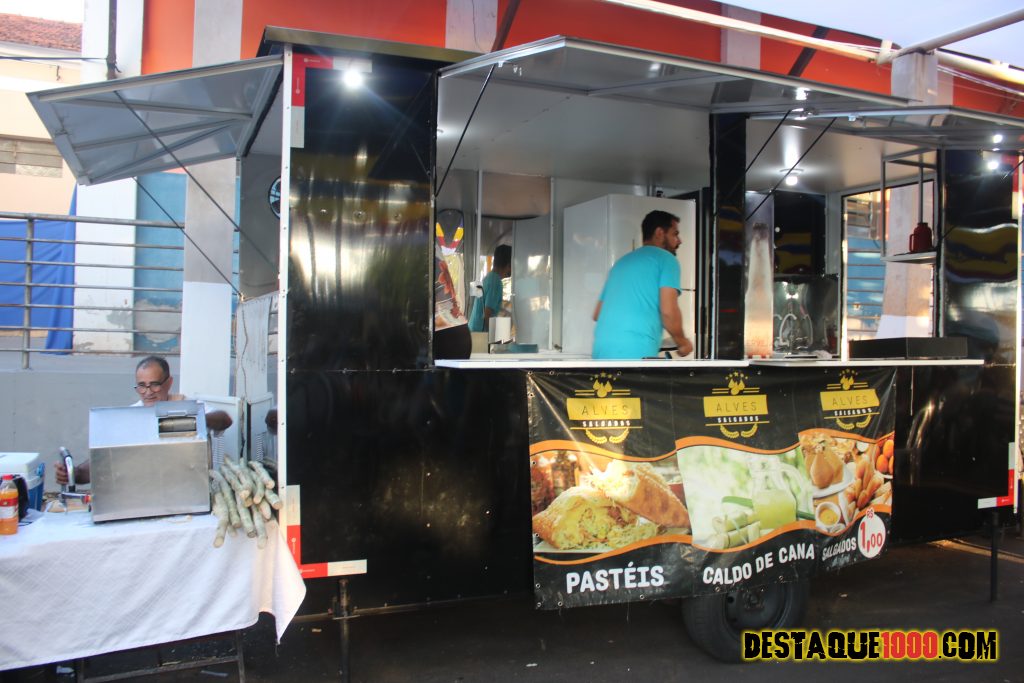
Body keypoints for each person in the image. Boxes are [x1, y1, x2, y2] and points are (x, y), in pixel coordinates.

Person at [54, 356, 233, 485]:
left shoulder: (188, 405)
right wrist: (74, 474)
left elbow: (225, 420)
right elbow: (105, 459)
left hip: (188, 490)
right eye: (142, 386)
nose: (148, 392)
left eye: (154, 384)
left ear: (169, 383)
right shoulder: (131, 417)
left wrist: (191, 418)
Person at [592, 210, 694, 359]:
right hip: (635, 352)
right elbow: (668, 311)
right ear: (659, 233)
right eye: (675, 234)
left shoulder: (621, 263)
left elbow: (598, 314)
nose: (679, 241)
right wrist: (682, 342)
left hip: (601, 352)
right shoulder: (666, 259)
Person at [468, 244, 512, 333]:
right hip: (479, 334)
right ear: (508, 265)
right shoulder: (496, 282)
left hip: (473, 330)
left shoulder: (489, 277)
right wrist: (495, 335)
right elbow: (487, 314)